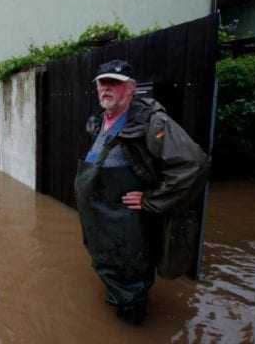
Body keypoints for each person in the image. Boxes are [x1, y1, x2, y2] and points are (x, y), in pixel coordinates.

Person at [74, 59, 209, 325]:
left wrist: (153, 200)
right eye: (103, 82)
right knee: (110, 271)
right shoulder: (99, 121)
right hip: (101, 226)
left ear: (131, 88)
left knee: (131, 286)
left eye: (115, 82)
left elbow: (194, 164)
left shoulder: (152, 123)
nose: (107, 88)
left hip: (126, 229)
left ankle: (132, 323)